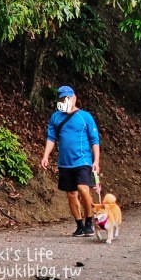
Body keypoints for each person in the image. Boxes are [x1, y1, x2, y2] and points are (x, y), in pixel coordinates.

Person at [40, 86, 101, 237]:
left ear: (74, 98)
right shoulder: (56, 117)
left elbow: (95, 141)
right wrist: (46, 156)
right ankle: (79, 225)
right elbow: (51, 138)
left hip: (83, 160)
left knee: (83, 189)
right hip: (65, 162)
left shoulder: (85, 117)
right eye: (62, 98)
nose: (65, 100)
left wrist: (96, 161)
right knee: (71, 194)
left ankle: (88, 221)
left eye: (68, 98)